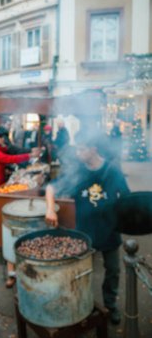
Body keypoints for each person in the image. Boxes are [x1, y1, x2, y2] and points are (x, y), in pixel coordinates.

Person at [45, 130, 130, 325]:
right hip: (84, 233)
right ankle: (84, 304)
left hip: (110, 231)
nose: (77, 153)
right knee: (83, 272)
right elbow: (51, 187)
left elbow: (126, 198)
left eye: (81, 149)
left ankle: (110, 306)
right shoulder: (77, 171)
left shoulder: (112, 171)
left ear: (93, 150)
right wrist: (50, 209)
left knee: (113, 271)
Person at [0, 129, 39, 288]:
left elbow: (11, 151)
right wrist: (29, 155)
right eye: (1, 138)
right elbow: (10, 158)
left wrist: (28, 151)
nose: (3, 141)